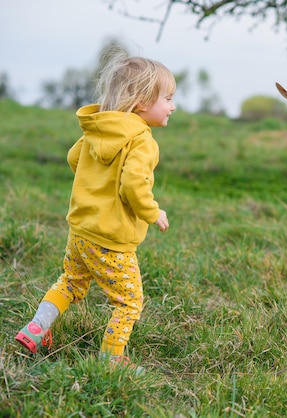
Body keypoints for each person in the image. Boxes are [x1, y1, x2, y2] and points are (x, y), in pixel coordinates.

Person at [15, 51, 176, 372]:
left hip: (81, 231)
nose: (173, 106)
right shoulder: (142, 139)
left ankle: (35, 328)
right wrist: (152, 211)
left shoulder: (98, 129)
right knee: (129, 302)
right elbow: (133, 184)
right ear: (142, 102)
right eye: (168, 98)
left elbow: (75, 158)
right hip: (110, 240)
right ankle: (111, 359)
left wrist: (97, 181)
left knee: (70, 282)